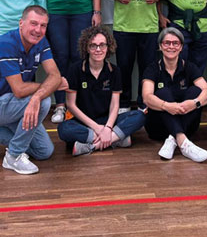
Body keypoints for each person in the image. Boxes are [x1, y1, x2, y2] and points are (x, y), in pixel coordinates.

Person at [0, 5, 59, 175]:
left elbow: (55, 75)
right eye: (34, 23)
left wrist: (38, 94)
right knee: (44, 100)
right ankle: (13, 156)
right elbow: (19, 89)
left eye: (43, 25)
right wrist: (44, 90)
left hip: (16, 104)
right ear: (21, 23)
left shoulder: (41, 41)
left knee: (44, 151)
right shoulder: (6, 43)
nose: (38, 30)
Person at [58, 25, 146, 156]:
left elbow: (115, 105)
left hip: (107, 121)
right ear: (86, 48)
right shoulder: (75, 69)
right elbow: (71, 105)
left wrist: (108, 127)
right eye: (93, 45)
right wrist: (97, 129)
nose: (98, 49)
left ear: (108, 47)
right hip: (84, 122)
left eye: (102, 45)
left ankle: (93, 145)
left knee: (139, 116)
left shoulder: (115, 71)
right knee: (63, 129)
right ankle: (116, 139)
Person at [141, 27, 207, 162]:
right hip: (158, 127)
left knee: (196, 91)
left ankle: (173, 140)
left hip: (187, 124)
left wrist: (195, 103)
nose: (171, 47)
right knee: (162, 93)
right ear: (160, 46)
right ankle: (183, 143)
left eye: (175, 43)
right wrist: (166, 106)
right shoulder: (152, 68)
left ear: (181, 47)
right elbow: (147, 97)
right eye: (167, 43)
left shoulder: (189, 67)